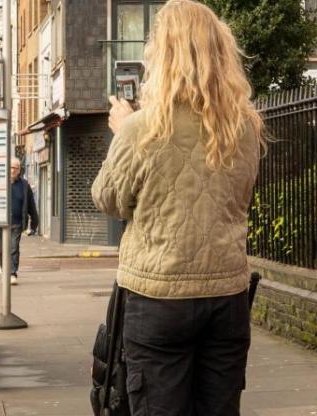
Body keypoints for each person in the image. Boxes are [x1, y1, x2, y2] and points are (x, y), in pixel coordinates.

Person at [91, 1, 265, 415]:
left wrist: (121, 132)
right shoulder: (245, 126)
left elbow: (109, 198)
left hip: (159, 297)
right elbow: (239, 195)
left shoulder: (142, 127)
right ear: (221, 52)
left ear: (163, 55)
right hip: (227, 296)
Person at [0, 158, 39, 286]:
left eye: (15, 168)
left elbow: (31, 205)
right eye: (10, 167)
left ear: (19, 170)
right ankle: (5, 272)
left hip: (17, 223)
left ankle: (12, 274)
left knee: (14, 248)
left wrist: (34, 225)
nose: (12, 170)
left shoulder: (24, 185)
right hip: (0, 223)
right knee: (2, 250)